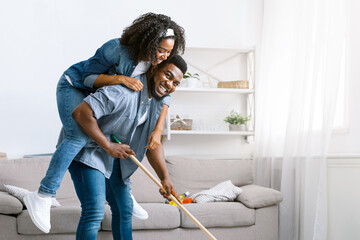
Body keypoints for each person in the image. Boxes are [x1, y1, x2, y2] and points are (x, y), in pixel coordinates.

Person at [23, 12, 186, 233]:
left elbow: (165, 93)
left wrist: (158, 131)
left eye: (168, 52)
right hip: (75, 85)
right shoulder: (119, 56)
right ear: (149, 42)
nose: (164, 56)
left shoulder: (153, 71)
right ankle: (44, 194)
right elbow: (88, 79)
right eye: (161, 50)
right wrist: (120, 79)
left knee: (123, 206)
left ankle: (123, 193)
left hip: (99, 113)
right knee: (78, 136)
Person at [69, 55, 187, 239]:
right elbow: (81, 113)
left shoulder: (157, 101)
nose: (170, 84)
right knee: (94, 212)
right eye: (168, 75)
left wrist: (165, 177)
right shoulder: (124, 90)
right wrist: (107, 145)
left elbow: (152, 144)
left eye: (176, 83)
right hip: (89, 151)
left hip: (113, 155)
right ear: (154, 69)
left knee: (125, 210)